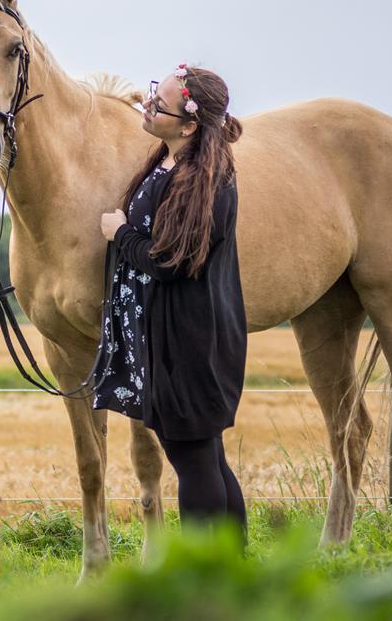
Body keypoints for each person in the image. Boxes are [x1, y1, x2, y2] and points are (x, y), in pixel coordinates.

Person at [93, 64, 248, 541]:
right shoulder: (173, 162)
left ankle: (205, 579)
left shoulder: (203, 181)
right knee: (206, 458)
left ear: (188, 125)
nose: (149, 105)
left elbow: (170, 262)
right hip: (174, 337)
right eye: (152, 94)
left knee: (196, 463)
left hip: (188, 344)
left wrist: (120, 235)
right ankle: (232, 569)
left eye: (160, 104)